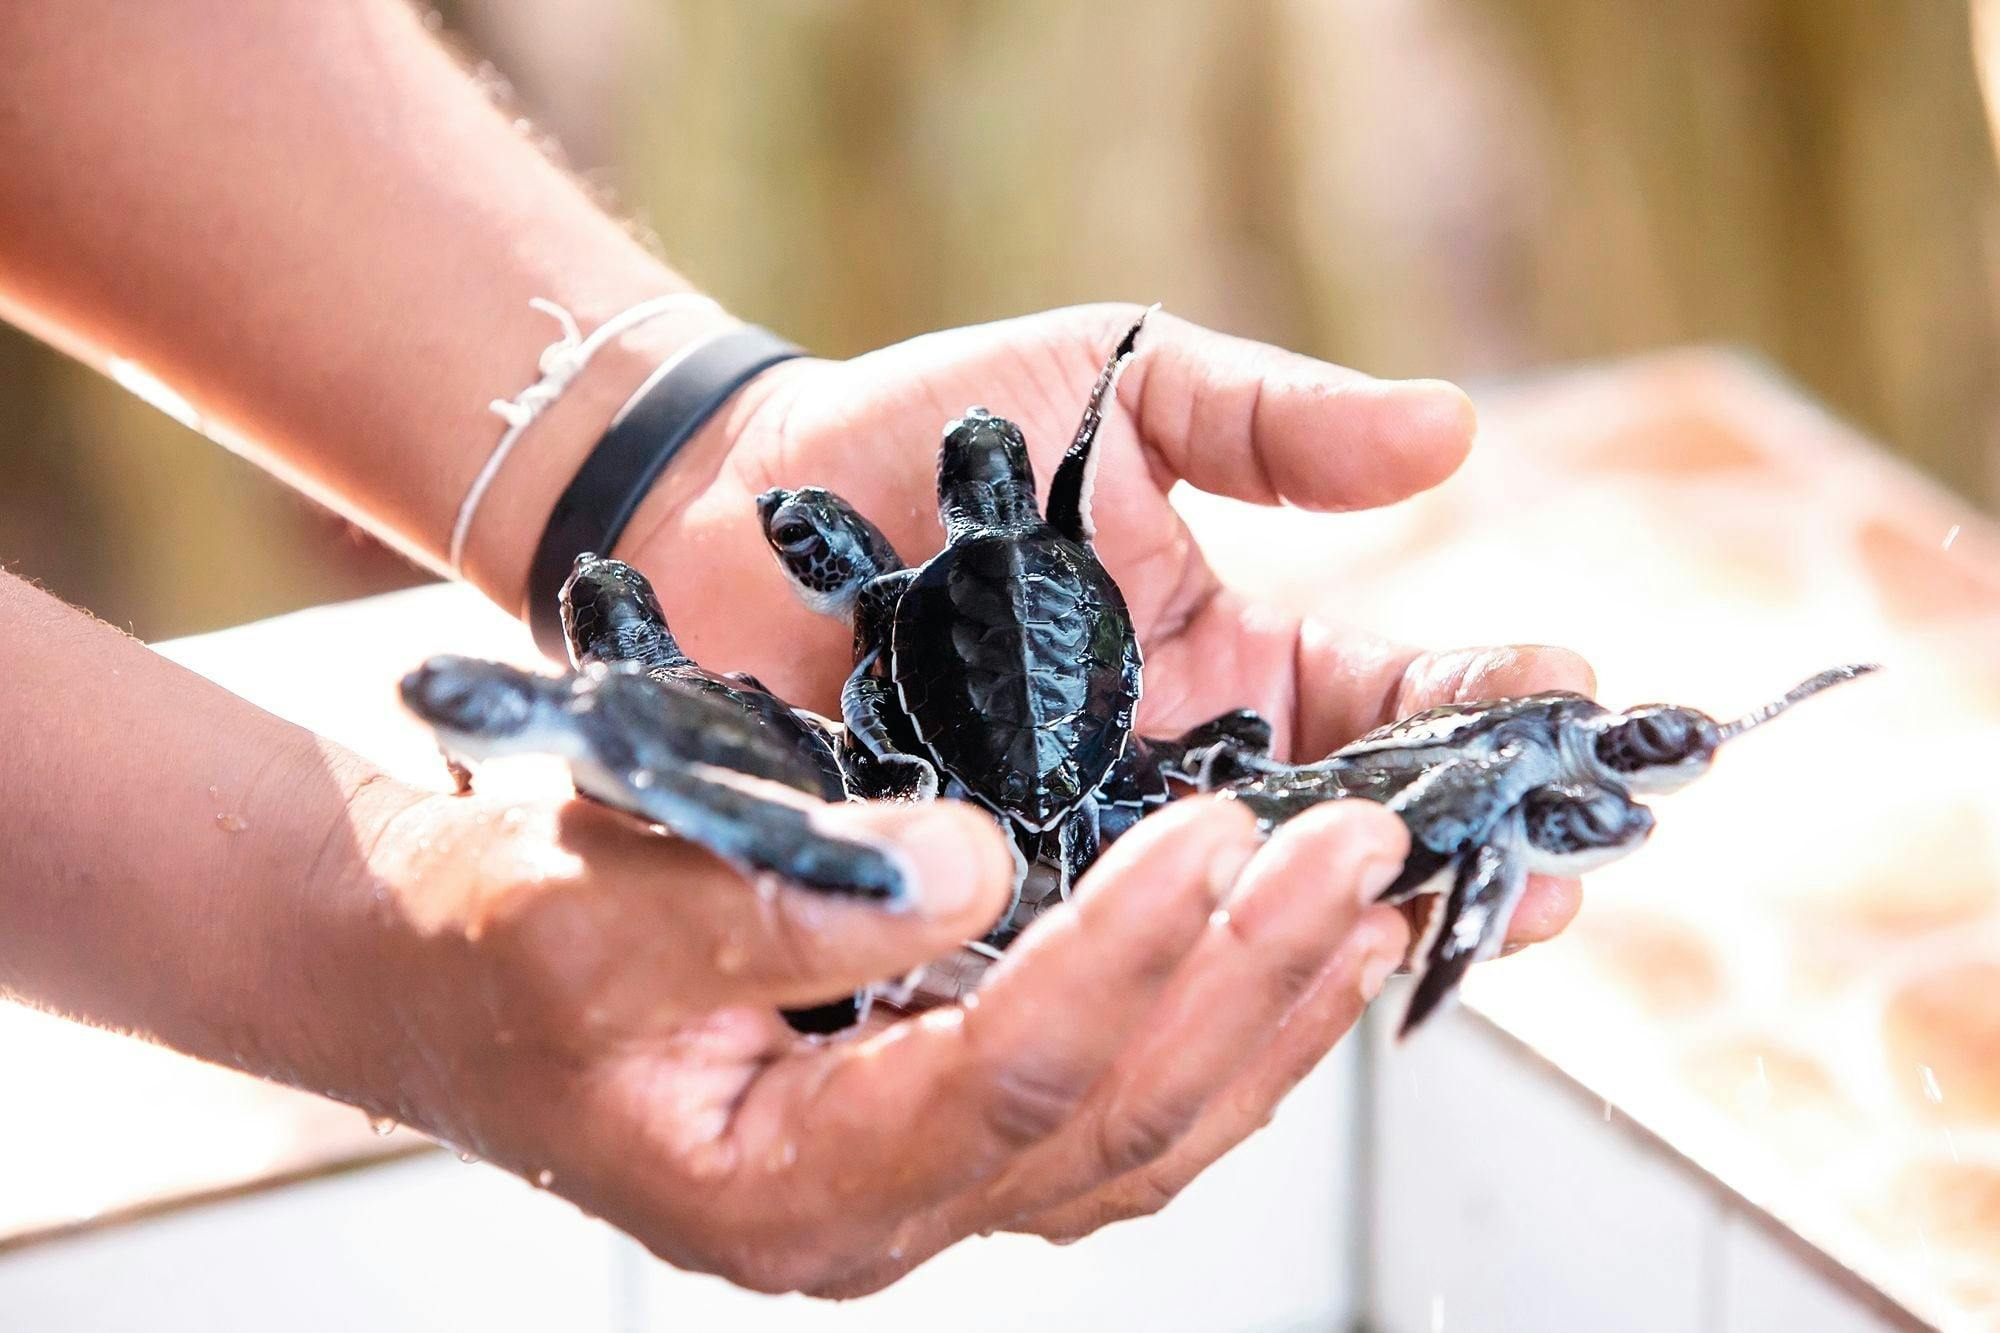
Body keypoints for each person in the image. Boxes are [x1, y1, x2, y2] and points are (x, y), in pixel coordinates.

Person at [0, 1, 1590, 1298]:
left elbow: (837, 580)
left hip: (935, 735)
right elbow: (867, 609)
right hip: (1001, 740)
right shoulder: (959, 583)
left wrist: (678, 447)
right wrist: (374, 921)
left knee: (830, 771)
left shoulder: (897, 595)